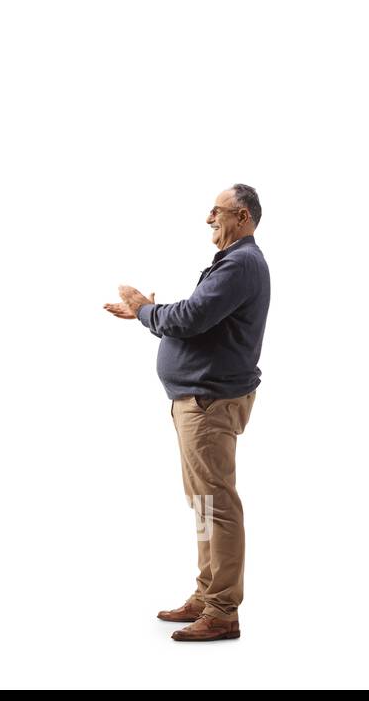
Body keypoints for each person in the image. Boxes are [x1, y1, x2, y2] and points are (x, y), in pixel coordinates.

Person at [104, 184, 270, 642]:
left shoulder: (241, 263)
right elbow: (193, 319)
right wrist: (151, 313)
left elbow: (187, 319)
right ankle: (207, 592)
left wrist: (146, 309)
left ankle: (222, 611)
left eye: (216, 211)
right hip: (198, 401)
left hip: (209, 403)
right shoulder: (233, 263)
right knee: (202, 503)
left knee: (216, 506)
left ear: (241, 216)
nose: (208, 218)